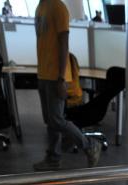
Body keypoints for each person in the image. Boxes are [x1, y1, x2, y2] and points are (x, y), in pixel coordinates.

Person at [33, 0, 100, 171]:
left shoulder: (58, 7)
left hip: (56, 76)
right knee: (50, 121)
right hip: (43, 73)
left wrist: (61, 78)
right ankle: (53, 158)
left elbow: (64, 43)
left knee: (56, 119)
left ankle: (89, 145)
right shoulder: (40, 7)